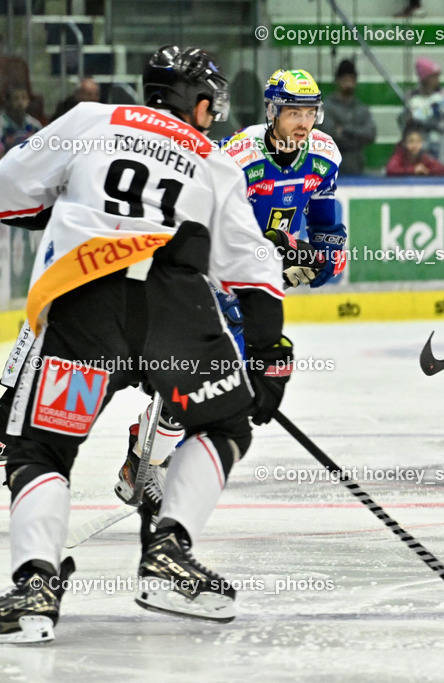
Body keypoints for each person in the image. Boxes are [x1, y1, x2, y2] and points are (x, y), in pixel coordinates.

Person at [0, 44, 292, 643]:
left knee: (40, 453)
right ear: (201, 103)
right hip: (174, 311)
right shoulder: (213, 158)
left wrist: (62, 205)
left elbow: (10, 190)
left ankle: (35, 589)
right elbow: (252, 265)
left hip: (85, 308)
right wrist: (266, 352)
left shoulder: (91, 119)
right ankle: (167, 552)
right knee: (227, 425)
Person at [112, 67, 348, 512]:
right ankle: (135, 461)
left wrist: (318, 262)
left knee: (216, 389)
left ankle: (141, 463)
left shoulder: (324, 154)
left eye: (310, 112)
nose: (303, 122)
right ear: (272, 112)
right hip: (209, 278)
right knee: (194, 379)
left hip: (254, 287)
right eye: (293, 112)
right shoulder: (235, 156)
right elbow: (196, 224)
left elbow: (324, 225)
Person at [320, 59, 377, 176]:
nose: (348, 84)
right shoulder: (328, 106)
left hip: (357, 166)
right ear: (338, 81)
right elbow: (328, 136)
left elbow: (371, 134)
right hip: (332, 167)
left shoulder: (361, 107)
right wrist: (357, 137)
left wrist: (346, 130)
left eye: (351, 80)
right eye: (345, 80)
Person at [399, 58, 444, 168]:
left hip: (441, 156)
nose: (437, 80)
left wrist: (421, 120)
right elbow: (404, 124)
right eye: (433, 77)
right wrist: (408, 120)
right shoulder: (411, 97)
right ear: (424, 78)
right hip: (418, 158)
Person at [0, 84, 42, 154]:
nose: (20, 102)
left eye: (24, 98)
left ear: (28, 101)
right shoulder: (2, 124)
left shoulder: (34, 125)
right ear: (7, 101)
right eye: (16, 98)